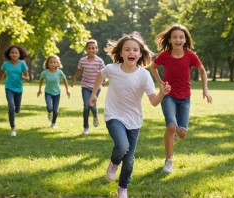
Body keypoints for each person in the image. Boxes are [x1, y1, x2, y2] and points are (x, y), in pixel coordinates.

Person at [89, 32, 171, 198]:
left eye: (135, 50)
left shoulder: (144, 75)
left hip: (134, 120)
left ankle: (122, 188)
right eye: (127, 49)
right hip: (114, 115)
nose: (131, 52)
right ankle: (113, 163)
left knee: (129, 159)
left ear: (140, 54)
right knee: (122, 146)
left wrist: (161, 93)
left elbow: (154, 101)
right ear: (121, 53)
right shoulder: (112, 69)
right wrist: (94, 94)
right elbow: (100, 75)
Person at [150, 24, 213, 173]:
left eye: (181, 37)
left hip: (185, 98)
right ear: (170, 40)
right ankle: (169, 160)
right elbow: (153, 67)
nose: (178, 39)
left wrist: (205, 89)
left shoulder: (190, 55)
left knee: (182, 133)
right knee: (171, 126)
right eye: (175, 37)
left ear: (185, 39)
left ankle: (174, 136)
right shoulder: (165, 55)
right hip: (168, 96)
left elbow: (202, 71)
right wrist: (160, 84)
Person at [0, 45, 29, 137]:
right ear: (9, 54)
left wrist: (24, 77)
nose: (14, 54)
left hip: (19, 89)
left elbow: (28, 77)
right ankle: (13, 128)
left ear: (19, 54)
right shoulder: (6, 64)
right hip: (9, 88)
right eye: (12, 52)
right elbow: (1, 75)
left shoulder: (22, 64)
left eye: (16, 52)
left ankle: (16, 110)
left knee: (17, 110)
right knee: (11, 107)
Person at [70, 39, 105, 135]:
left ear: (96, 49)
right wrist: (73, 79)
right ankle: (86, 128)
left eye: (93, 48)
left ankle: (95, 115)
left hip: (96, 87)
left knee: (92, 106)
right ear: (86, 49)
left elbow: (103, 73)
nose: (91, 50)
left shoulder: (99, 61)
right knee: (86, 106)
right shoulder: (83, 60)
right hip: (85, 85)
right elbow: (79, 71)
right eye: (89, 48)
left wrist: (104, 80)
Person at [37, 55, 70, 129]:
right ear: (47, 64)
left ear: (58, 63)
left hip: (57, 93)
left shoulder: (59, 72)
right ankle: (49, 112)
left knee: (55, 110)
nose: (53, 64)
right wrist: (39, 89)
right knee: (49, 107)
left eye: (55, 62)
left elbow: (64, 80)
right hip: (48, 92)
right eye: (51, 62)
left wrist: (67, 89)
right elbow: (41, 80)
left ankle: (53, 123)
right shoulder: (45, 72)